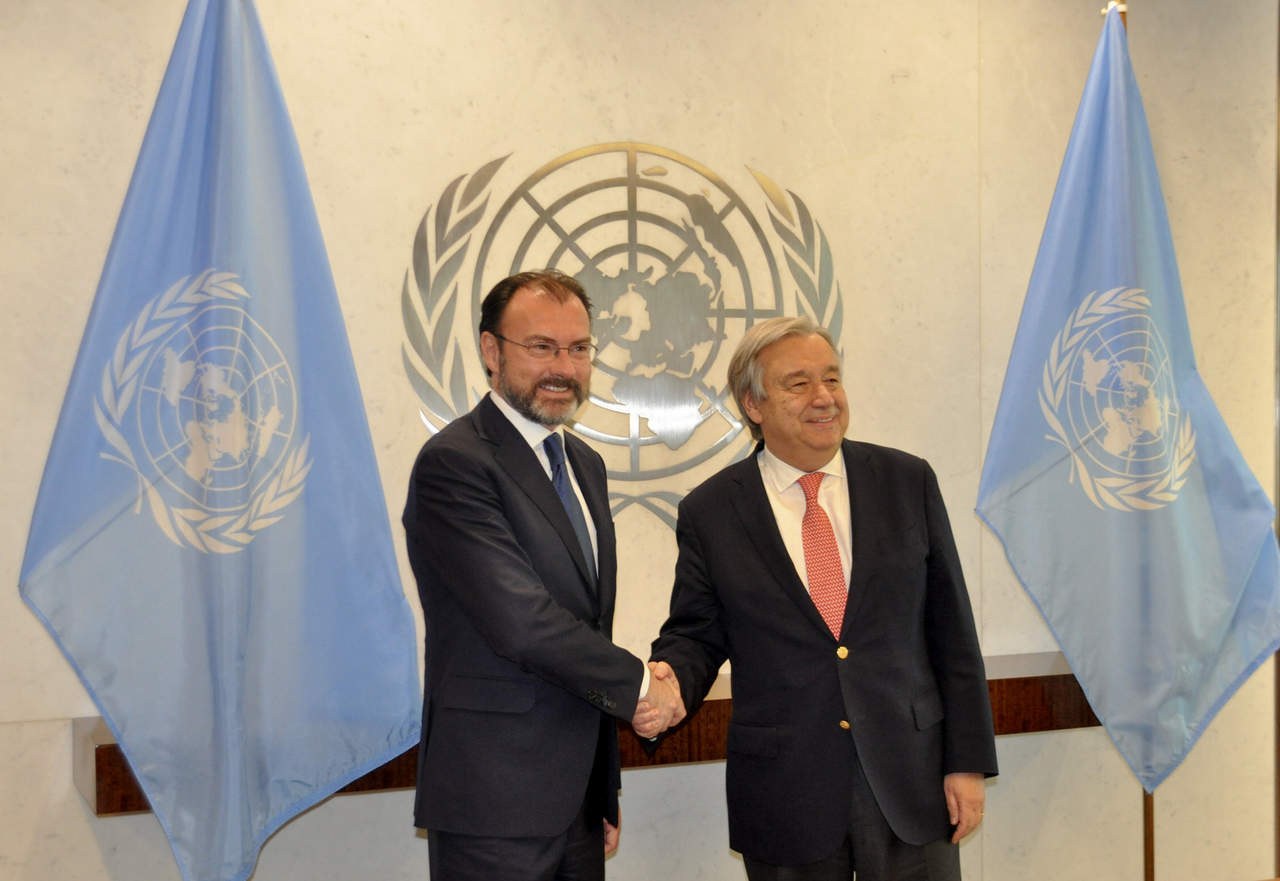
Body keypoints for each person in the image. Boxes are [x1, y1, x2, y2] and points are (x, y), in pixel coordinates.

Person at [648, 316, 997, 881]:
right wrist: (667, 681)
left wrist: (968, 763)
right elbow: (697, 632)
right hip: (787, 790)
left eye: (832, 379)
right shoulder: (711, 511)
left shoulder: (906, 481)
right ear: (753, 405)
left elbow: (952, 631)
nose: (824, 397)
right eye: (799, 383)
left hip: (911, 777)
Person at [403, 269, 684, 881]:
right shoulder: (455, 463)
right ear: (491, 350)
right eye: (541, 347)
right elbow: (522, 622)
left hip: (577, 801)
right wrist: (643, 685)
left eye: (579, 348)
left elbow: (590, 624)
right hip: (492, 801)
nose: (564, 367)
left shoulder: (583, 463)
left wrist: (603, 787)